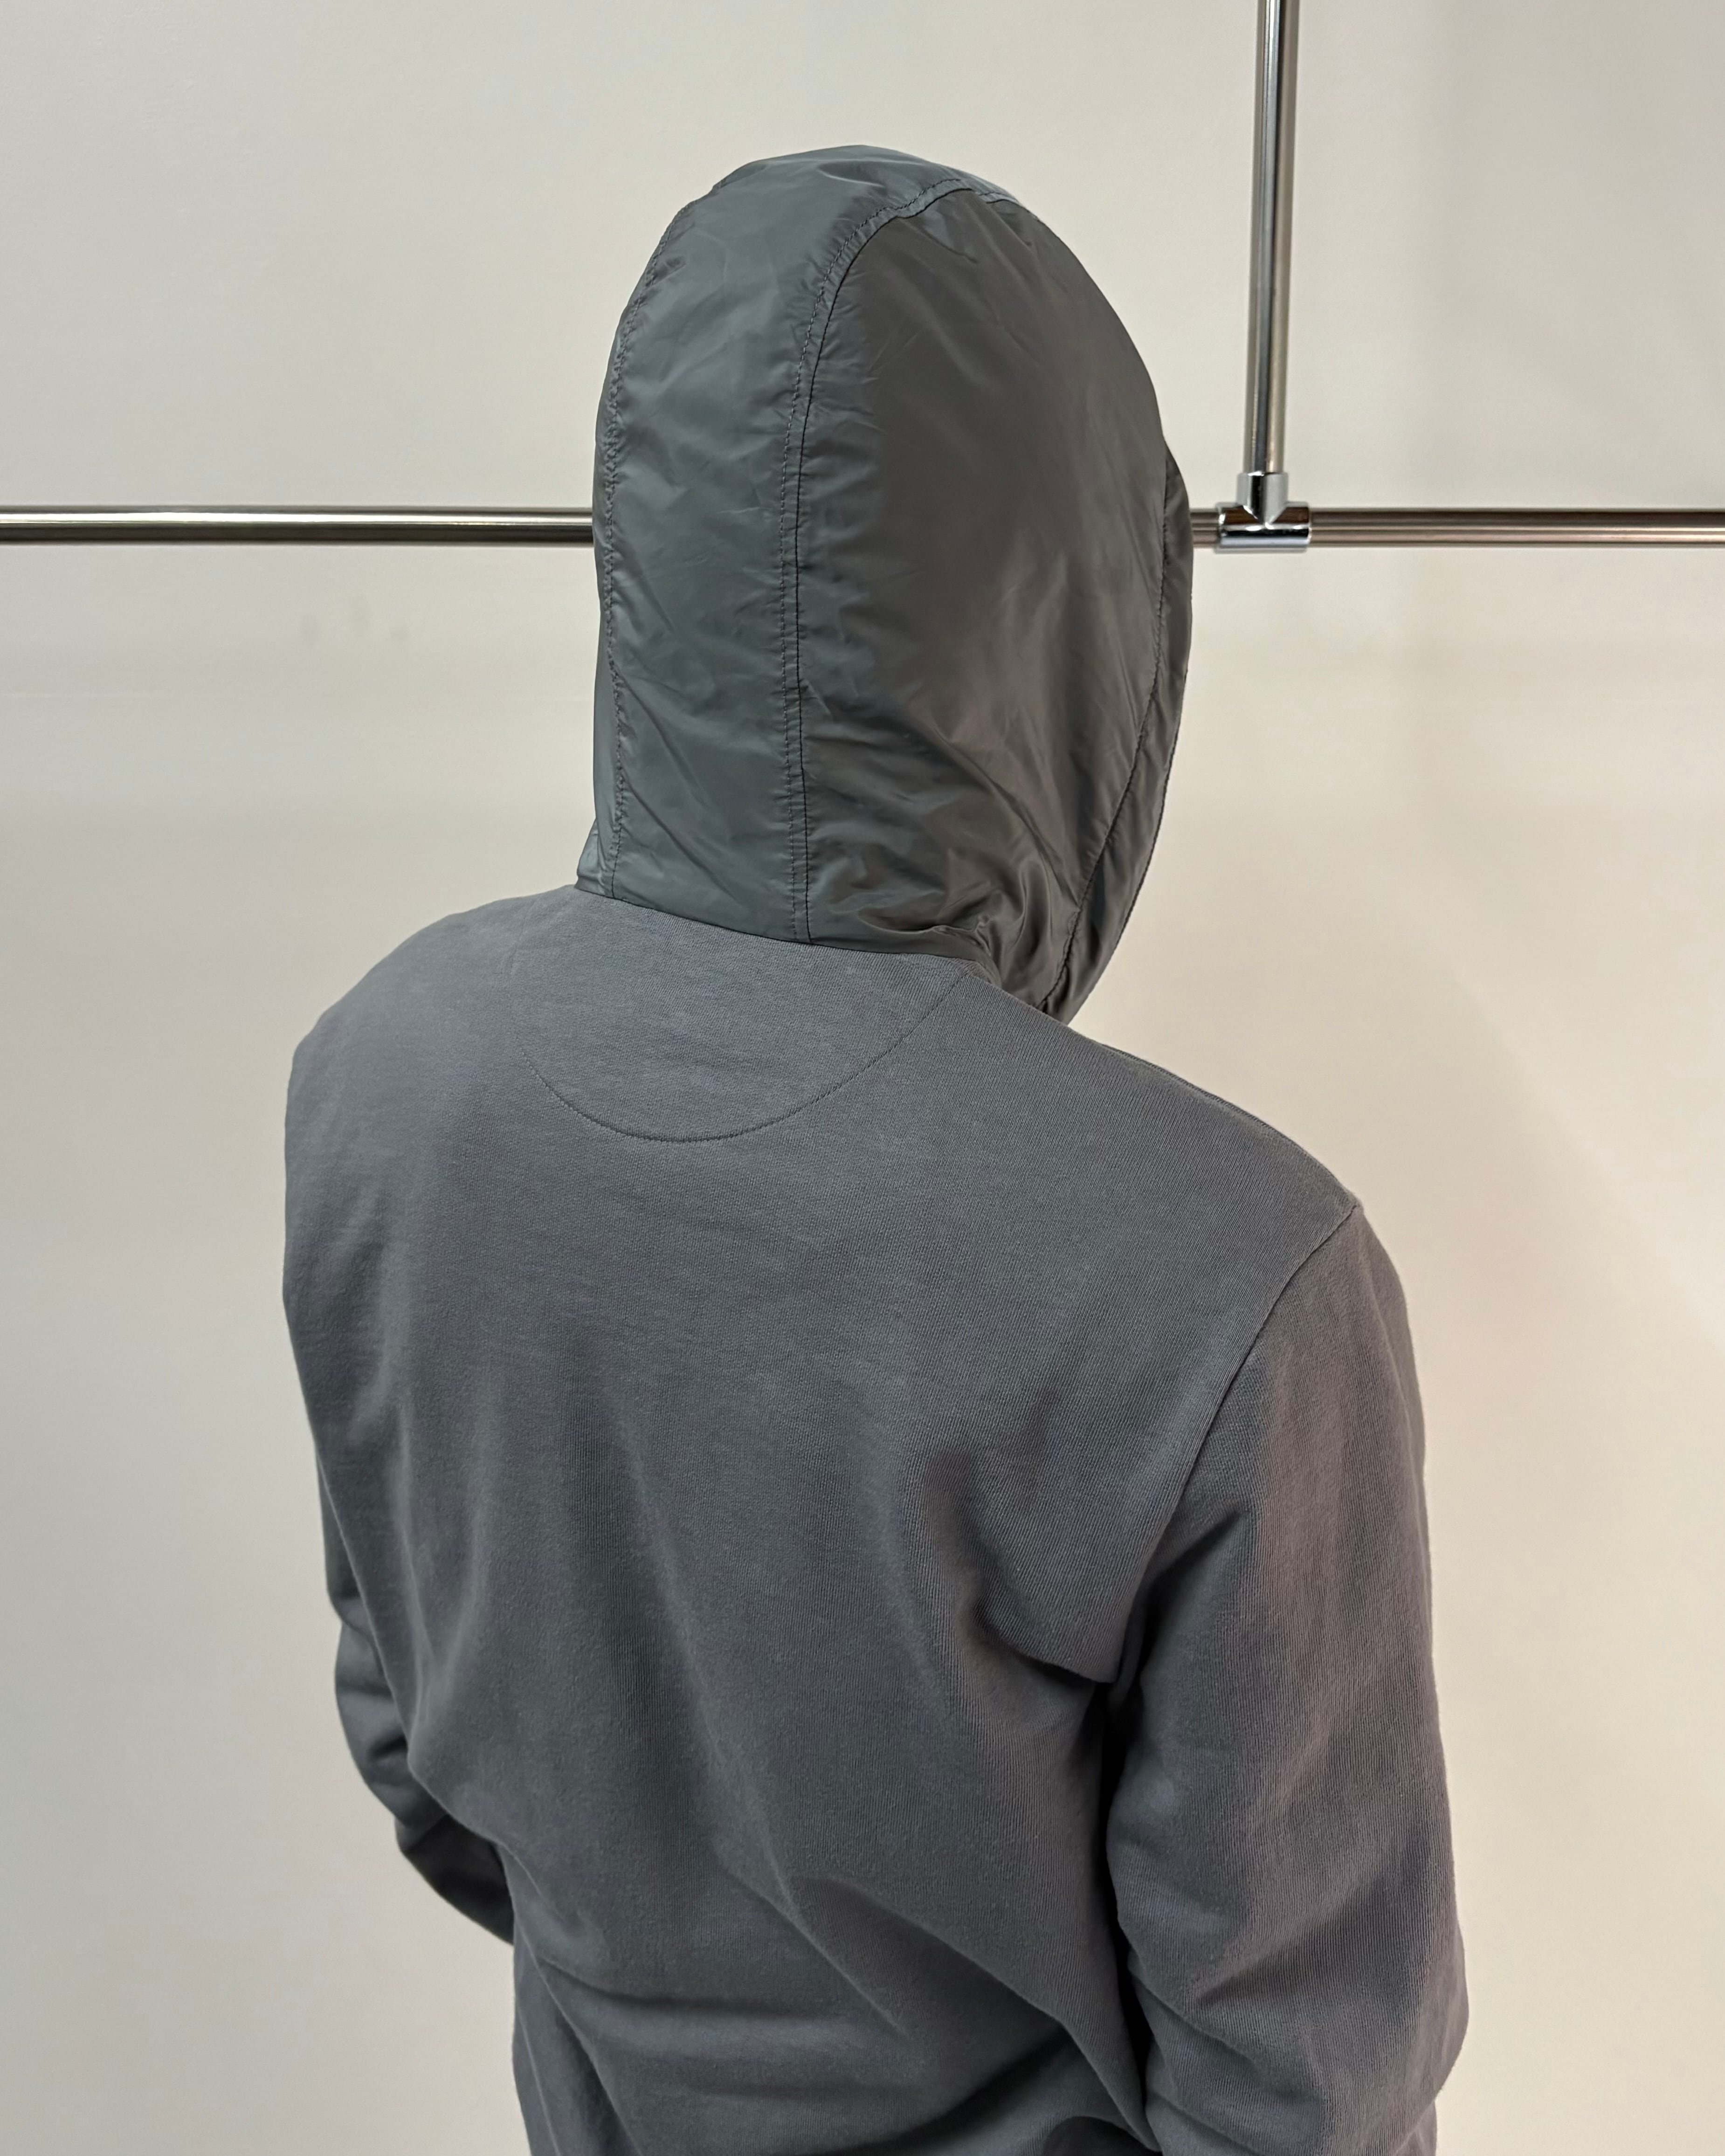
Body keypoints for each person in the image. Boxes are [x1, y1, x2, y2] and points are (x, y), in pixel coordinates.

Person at [284, 147, 1466, 2156]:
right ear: (1078, 611)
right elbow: (1305, 2085)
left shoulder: (385, 1066)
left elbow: (420, 1758)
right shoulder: (1227, 1267)